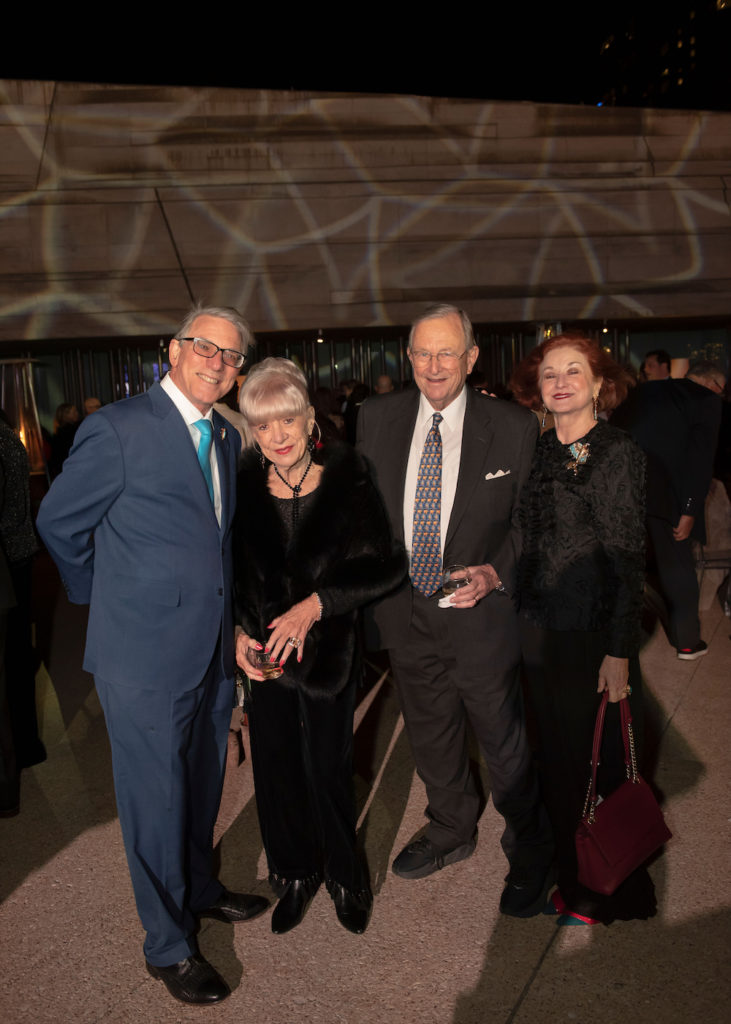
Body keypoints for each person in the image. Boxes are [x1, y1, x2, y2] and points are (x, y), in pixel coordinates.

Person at [36, 305, 268, 1006]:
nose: (217, 362)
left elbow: (216, 549)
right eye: (205, 347)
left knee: (200, 785)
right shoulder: (118, 428)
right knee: (154, 800)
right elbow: (59, 523)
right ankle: (167, 946)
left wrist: (228, 631)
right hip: (140, 657)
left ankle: (197, 887)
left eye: (231, 356)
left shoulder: (224, 437)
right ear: (173, 350)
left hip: (208, 652)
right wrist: (105, 599)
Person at [357, 303, 553, 917]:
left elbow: (530, 520)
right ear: (407, 357)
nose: (433, 365)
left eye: (447, 353)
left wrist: (497, 571)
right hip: (405, 608)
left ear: (471, 359)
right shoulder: (374, 417)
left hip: (481, 613)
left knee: (501, 735)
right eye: (422, 352)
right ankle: (450, 828)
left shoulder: (514, 425)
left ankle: (529, 844)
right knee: (430, 729)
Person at [234, 358, 406, 936]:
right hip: (264, 658)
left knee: (328, 769)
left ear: (310, 418)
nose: (276, 437)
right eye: (262, 426)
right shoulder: (241, 487)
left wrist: (316, 605)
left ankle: (345, 877)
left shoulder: (348, 477)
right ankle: (296, 873)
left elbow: (385, 566)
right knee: (276, 771)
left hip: (327, 653)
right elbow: (232, 576)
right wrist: (238, 634)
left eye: (286, 421)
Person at [511, 333, 655, 925]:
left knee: (601, 768)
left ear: (600, 385)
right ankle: (574, 880)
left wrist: (620, 651)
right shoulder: (539, 449)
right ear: (539, 389)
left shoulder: (617, 452)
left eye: (575, 370)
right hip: (538, 631)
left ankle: (613, 893)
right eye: (550, 373)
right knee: (560, 767)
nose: (561, 380)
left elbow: (627, 559)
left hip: (592, 635)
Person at [613, 358, 724, 659]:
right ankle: (687, 642)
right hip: (669, 498)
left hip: (623, 489)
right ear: (713, 383)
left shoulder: (646, 392)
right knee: (677, 567)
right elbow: (700, 461)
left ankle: (617, 643)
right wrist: (689, 509)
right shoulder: (707, 400)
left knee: (624, 568)